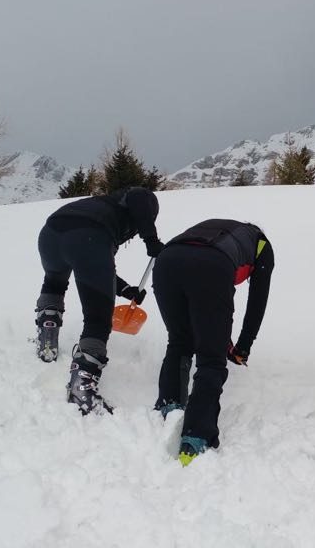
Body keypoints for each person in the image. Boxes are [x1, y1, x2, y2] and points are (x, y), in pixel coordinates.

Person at [151, 219, 274, 465]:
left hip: (166, 262)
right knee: (211, 358)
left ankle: (168, 410)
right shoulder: (262, 246)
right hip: (212, 267)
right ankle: (196, 437)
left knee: (179, 340)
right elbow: (257, 302)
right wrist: (243, 346)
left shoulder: (217, 228)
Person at [34, 186, 163, 414]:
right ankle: (81, 387)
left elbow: (97, 271)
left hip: (50, 233)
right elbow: (139, 196)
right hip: (88, 237)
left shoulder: (100, 205)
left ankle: (47, 340)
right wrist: (151, 240)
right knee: (98, 317)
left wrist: (125, 290)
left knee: (54, 282)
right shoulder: (136, 199)